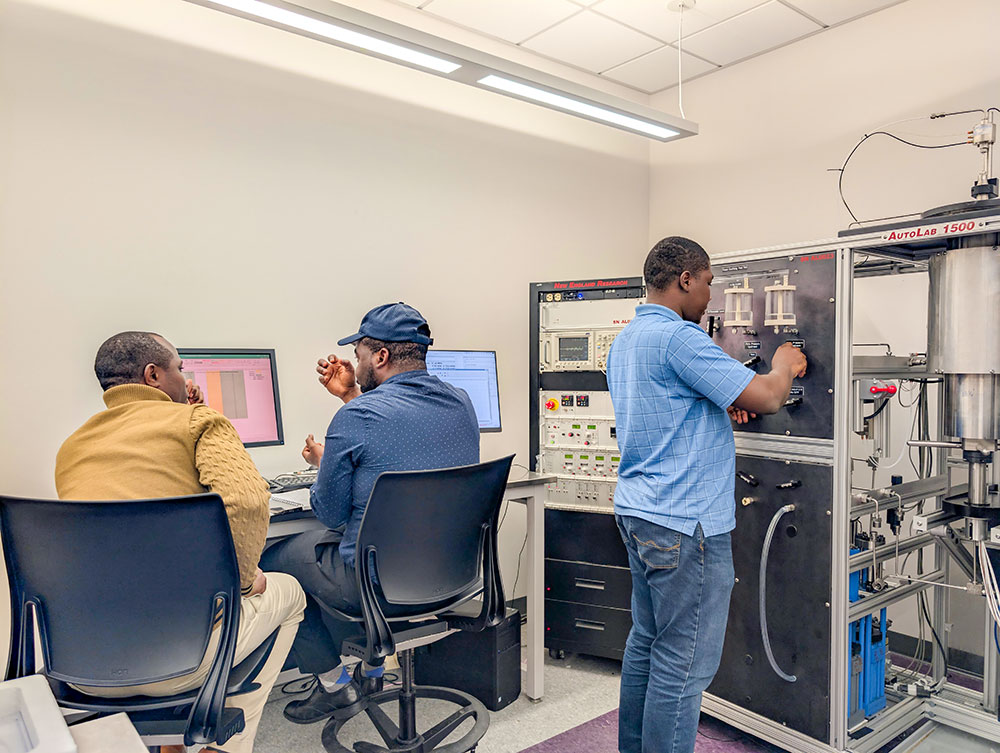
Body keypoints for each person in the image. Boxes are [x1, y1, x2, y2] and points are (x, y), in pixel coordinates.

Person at [55, 331, 306, 753]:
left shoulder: (72, 448)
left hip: (82, 663)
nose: (185, 377)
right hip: (178, 658)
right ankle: (220, 744)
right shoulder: (197, 423)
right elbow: (245, 504)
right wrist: (244, 583)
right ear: (154, 375)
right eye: (180, 368)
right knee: (289, 592)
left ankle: (172, 742)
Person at [607, 237, 808, 753]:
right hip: (685, 524)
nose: (711, 297)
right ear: (686, 280)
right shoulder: (679, 339)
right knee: (684, 664)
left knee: (647, 646)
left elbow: (676, 405)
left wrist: (720, 404)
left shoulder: (629, 338)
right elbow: (767, 395)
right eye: (709, 283)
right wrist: (784, 363)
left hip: (639, 512)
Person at [260, 302, 480, 724]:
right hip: (452, 577)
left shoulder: (356, 417)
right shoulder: (462, 402)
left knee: (272, 563)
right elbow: (403, 442)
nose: (353, 362)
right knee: (341, 550)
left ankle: (334, 685)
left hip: (379, 585)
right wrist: (349, 394)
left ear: (380, 357)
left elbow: (329, 510)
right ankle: (374, 668)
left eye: (359, 354)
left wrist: (329, 460)